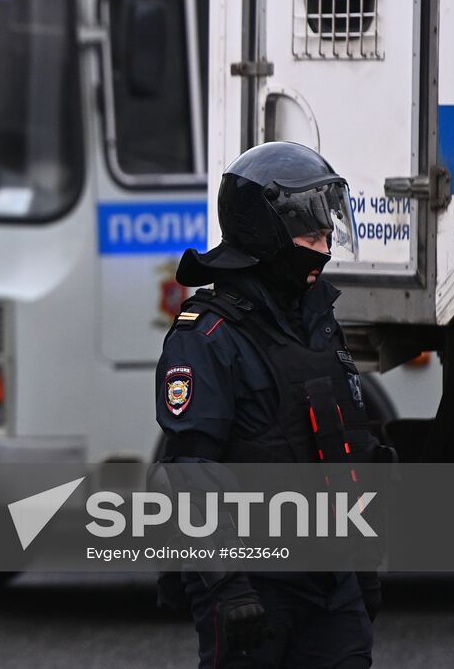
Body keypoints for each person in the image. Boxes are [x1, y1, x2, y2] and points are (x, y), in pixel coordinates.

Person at [155, 141, 388, 669]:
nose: (324, 246)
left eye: (328, 231)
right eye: (311, 233)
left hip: (329, 576)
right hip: (252, 582)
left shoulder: (317, 321)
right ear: (266, 234)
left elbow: (344, 446)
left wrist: (364, 563)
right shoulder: (208, 336)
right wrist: (231, 587)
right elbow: (193, 471)